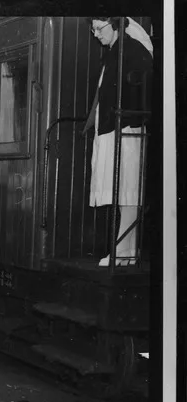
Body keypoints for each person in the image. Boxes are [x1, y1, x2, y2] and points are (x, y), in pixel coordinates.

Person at [83, 17, 153, 267]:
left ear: (116, 24)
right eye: (93, 29)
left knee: (128, 190)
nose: (95, 34)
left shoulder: (132, 49)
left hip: (127, 129)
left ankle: (124, 250)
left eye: (99, 28)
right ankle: (126, 249)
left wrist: (130, 119)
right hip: (114, 129)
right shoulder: (115, 51)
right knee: (124, 190)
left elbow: (144, 86)